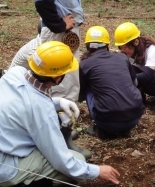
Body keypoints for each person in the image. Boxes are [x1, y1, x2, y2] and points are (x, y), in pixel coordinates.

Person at [0, 41, 120, 186]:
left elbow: (26, 98)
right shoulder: (41, 111)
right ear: (57, 77)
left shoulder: (15, 73)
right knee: (77, 160)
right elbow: (61, 160)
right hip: (6, 166)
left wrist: (57, 102)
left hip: (6, 142)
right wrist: (96, 171)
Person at [79, 26, 144, 139]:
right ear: (108, 45)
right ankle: (123, 126)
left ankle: (98, 125)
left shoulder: (85, 65)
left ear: (87, 46)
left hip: (107, 123)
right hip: (135, 116)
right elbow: (135, 83)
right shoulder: (122, 58)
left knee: (89, 87)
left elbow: (80, 94)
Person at [114, 22, 155, 113]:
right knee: (131, 69)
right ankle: (140, 97)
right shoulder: (128, 53)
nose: (123, 50)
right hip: (150, 83)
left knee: (154, 73)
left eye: (125, 47)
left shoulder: (152, 50)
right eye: (121, 48)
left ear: (136, 42)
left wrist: (127, 80)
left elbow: (148, 74)